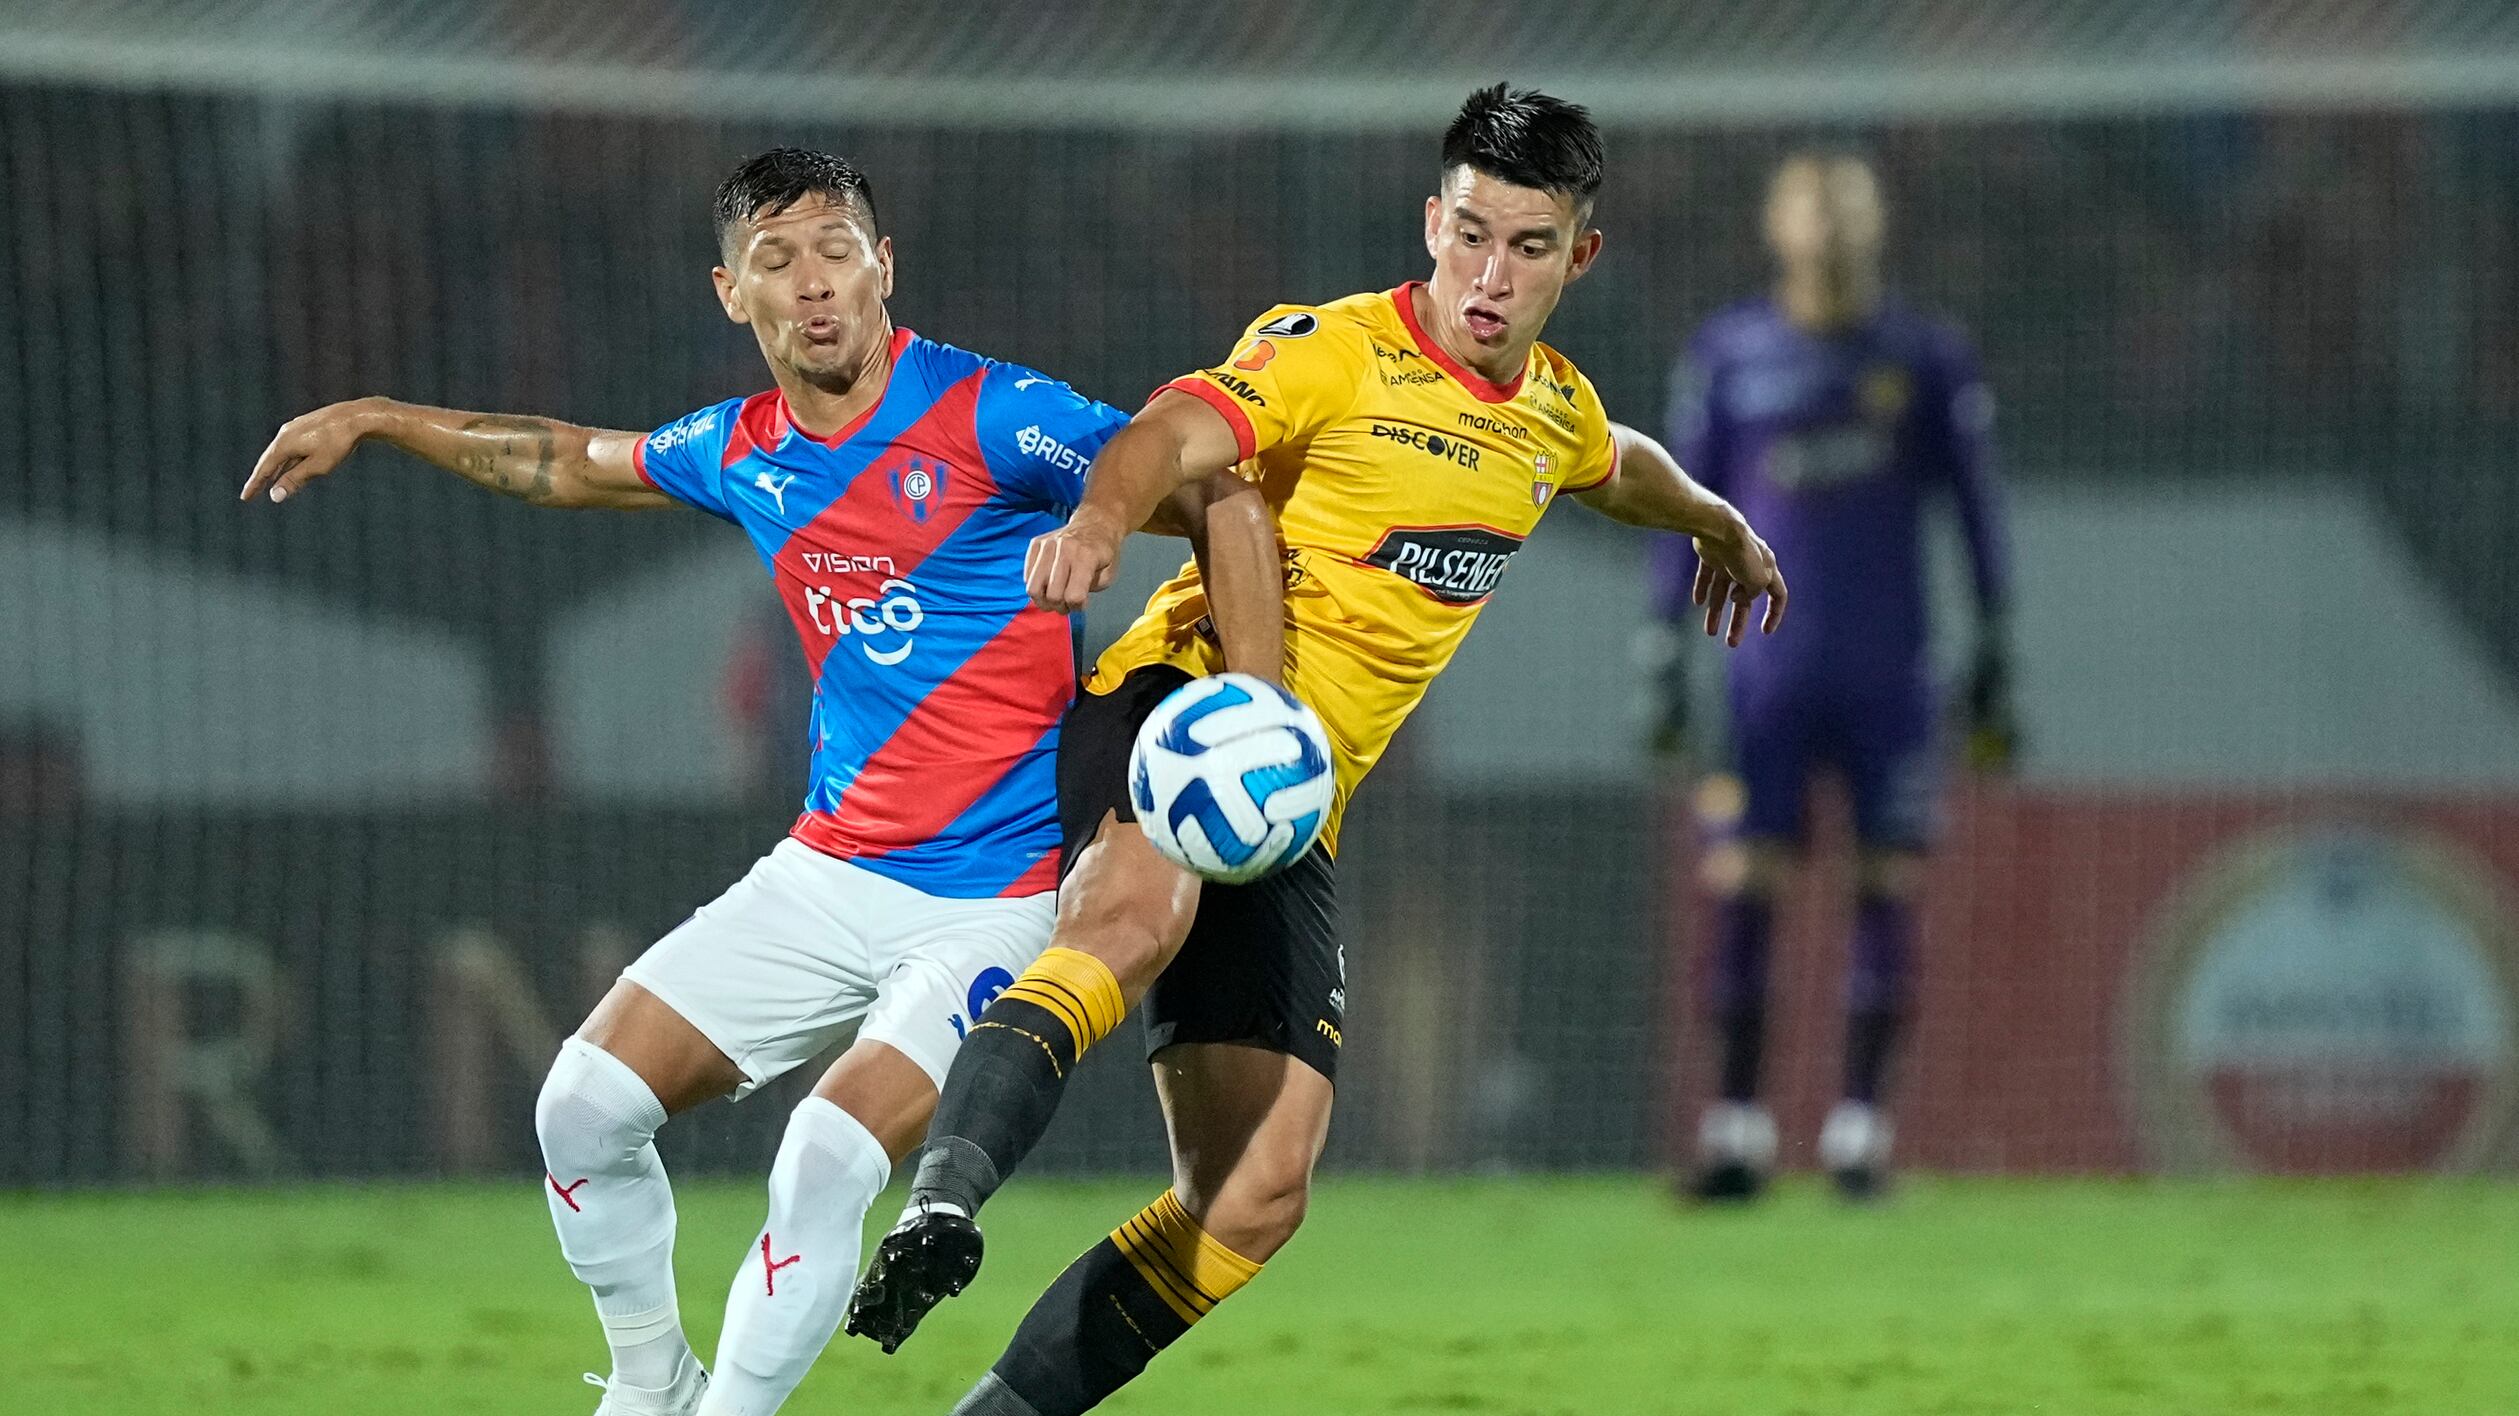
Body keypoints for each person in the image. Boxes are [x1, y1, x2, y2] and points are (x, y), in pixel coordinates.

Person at [240, 147, 1274, 1416]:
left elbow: (1214, 486)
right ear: (732, 294)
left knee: (825, 1158)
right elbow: (570, 462)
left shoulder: (996, 415)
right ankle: (648, 1382)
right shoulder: (742, 447)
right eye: (777, 261)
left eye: (838, 249)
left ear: (884, 268)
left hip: (996, 900)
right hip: (827, 872)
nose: (814, 282)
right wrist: (386, 418)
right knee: (579, 1111)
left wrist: (1238, 677)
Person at [844, 86, 1787, 1415]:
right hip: (1181, 705)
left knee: (1250, 1197)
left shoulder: (1546, 415)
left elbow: (1611, 458)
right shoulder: (1330, 351)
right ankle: (939, 1207)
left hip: (1288, 806)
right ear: (1428, 222)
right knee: (1127, 917)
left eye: (1524, 248)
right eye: (1465, 235)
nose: (1485, 276)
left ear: (1578, 257)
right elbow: (1171, 431)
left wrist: (1713, 522)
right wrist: (1108, 520)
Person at [1644, 151, 2015, 1203]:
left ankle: (1857, 1136)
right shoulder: (1729, 355)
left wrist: (1993, 640)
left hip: (1888, 671)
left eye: (1849, 203)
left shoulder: (1923, 359)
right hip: (1757, 673)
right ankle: (1737, 1133)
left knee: (1885, 882)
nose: (1831, 223)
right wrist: (1657, 648)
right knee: (1743, 884)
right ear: (1776, 223)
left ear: (1877, 221)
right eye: (1813, 204)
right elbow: (1678, 506)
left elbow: (1974, 510)